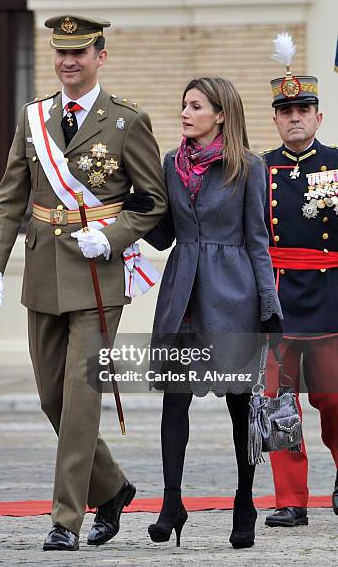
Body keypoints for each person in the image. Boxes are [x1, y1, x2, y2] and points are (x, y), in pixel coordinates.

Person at [0, 14, 167, 551]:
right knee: (51, 398)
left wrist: (112, 235)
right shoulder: (33, 116)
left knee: (82, 399)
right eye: (61, 53)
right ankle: (112, 489)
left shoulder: (128, 121)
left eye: (80, 53)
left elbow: (152, 201)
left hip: (97, 274)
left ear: (100, 57)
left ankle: (66, 519)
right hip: (42, 270)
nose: (68, 62)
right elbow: (11, 196)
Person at [140, 76, 282, 548]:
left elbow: (259, 242)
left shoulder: (249, 167)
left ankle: (246, 501)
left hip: (233, 294)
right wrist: (141, 212)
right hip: (182, 293)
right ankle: (171, 501)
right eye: (184, 105)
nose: (185, 112)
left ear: (220, 114)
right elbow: (165, 236)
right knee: (174, 398)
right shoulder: (169, 163)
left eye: (196, 106)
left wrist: (269, 303)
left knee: (239, 403)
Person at [262, 34, 338, 528]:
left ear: (318, 116)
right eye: (285, 109)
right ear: (275, 117)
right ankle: (291, 499)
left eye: (303, 108)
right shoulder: (257, 170)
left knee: (333, 400)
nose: (294, 116)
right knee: (277, 403)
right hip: (276, 300)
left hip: (330, 297)